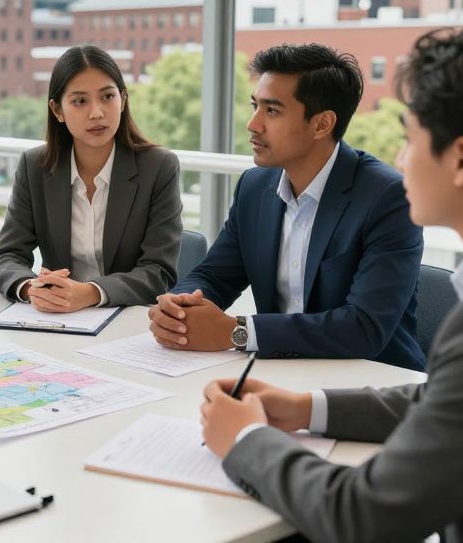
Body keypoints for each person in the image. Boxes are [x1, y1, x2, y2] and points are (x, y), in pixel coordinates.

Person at [200, 23, 463, 542]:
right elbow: (447, 400)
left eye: (409, 138)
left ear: (461, 159)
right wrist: (307, 408)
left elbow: (364, 515)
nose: (400, 159)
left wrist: (246, 440)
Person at [149, 43, 425, 370]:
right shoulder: (255, 186)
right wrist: (179, 307)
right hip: (279, 371)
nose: (253, 124)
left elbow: (364, 327)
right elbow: (215, 275)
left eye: (272, 111)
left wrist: (237, 331)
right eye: (255, 106)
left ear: (322, 124)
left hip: (371, 380)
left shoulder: (388, 197)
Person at [0, 44, 182, 311]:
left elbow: (158, 271)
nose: (97, 113)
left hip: (128, 319)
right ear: (57, 110)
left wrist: (91, 292)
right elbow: (7, 257)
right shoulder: (35, 167)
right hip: (58, 319)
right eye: (80, 101)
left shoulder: (158, 167)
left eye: (107, 96)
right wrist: (32, 288)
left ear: (123, 99)